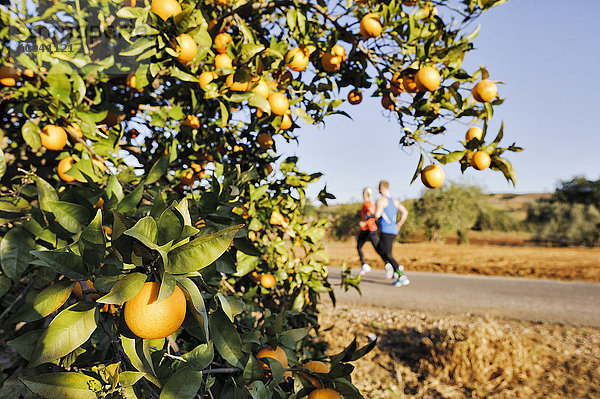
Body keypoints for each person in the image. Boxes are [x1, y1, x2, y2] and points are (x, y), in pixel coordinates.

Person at [374, 180, 410, 287]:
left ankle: (400, 274)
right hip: (393, 230)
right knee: (383, 250)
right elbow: (405, 212)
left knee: (387, 254)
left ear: (381, 187)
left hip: (386, 230)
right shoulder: (395, 201)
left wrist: (370, 215)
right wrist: (399, 224)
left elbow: (377, 214)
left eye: (378, 187)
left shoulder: (381, 201)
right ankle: (394, 268)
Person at [356, 188, 379, 276]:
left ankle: (364, 265)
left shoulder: (366, 203)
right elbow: (370, 213)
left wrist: (364, 222)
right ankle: (388, 263)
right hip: (372, 228)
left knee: (359, 246)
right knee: (377, 248)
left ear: (365, 194)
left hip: (367, 228)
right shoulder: (372, 203)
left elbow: (372, 212)